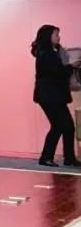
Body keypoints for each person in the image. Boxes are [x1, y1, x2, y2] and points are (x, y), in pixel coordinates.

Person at [31, 25, 78, 167]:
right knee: (62, 126)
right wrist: (72, 66)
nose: (59, 37)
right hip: (50, 96)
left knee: (64, 126)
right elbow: (59, 72)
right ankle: (50, 158)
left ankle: (64, 158)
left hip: (52, 96)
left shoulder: (52, 51)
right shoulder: (46, 54)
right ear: (48, 37)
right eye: (56, 35)